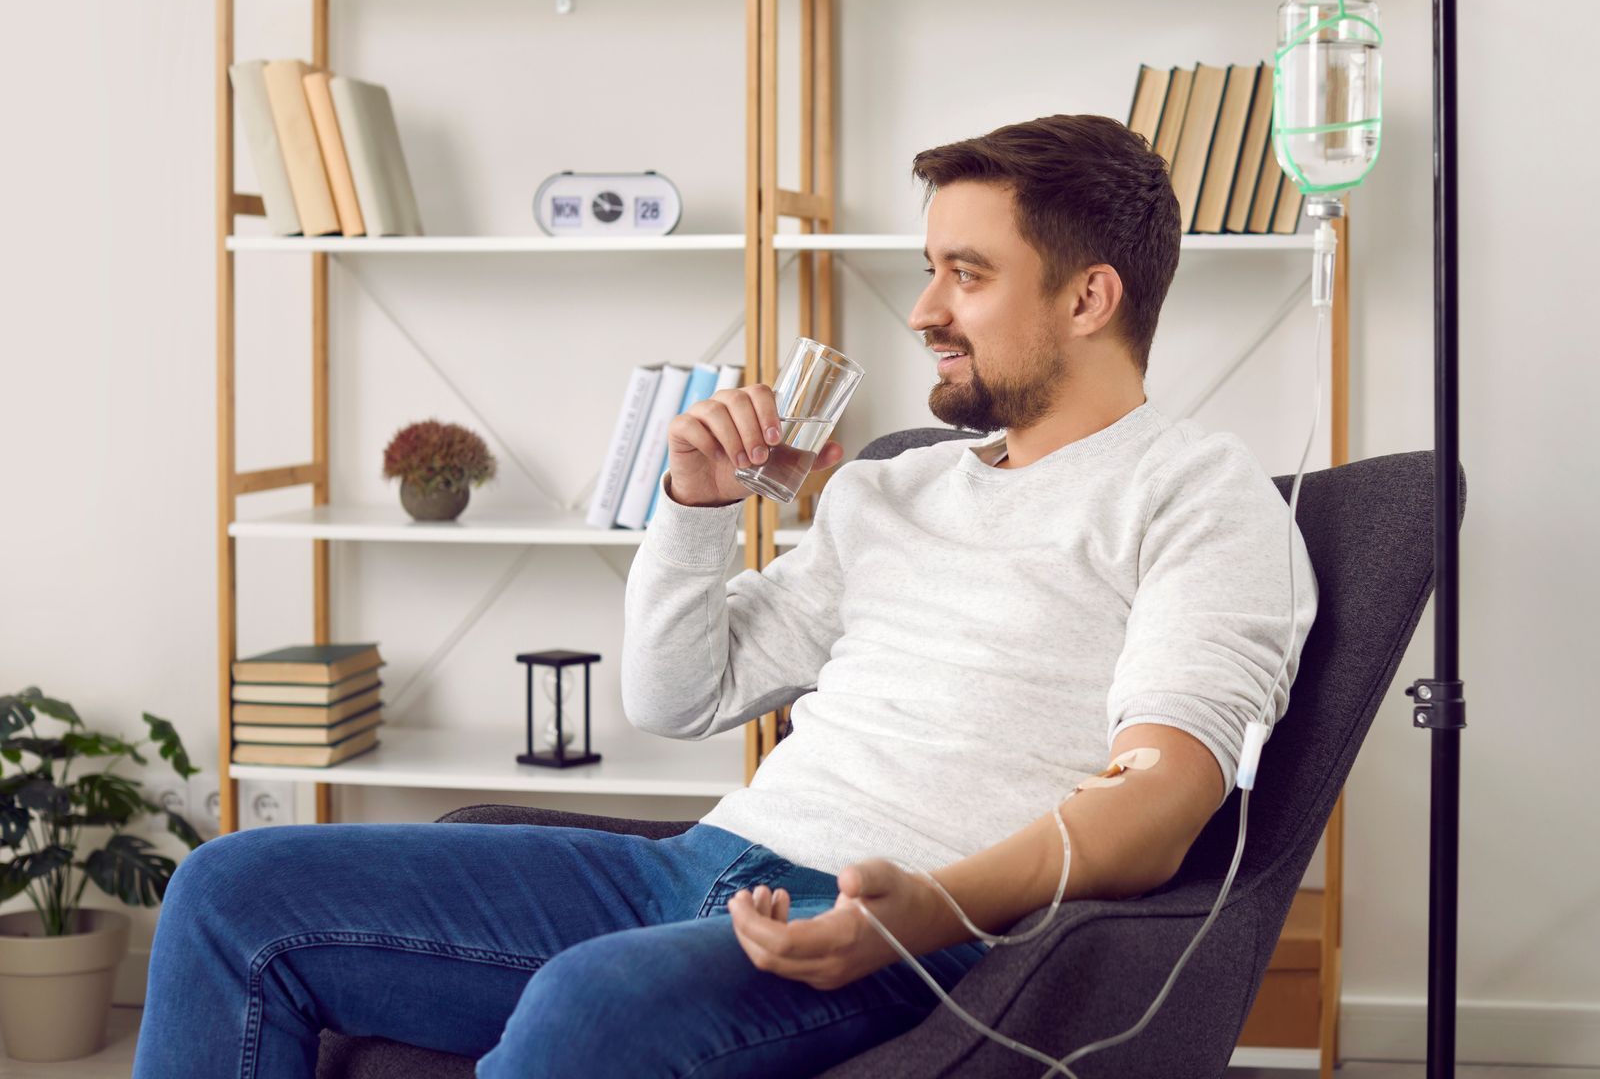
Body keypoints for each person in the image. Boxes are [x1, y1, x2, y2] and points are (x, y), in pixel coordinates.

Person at [133, 114, 1317, 1078]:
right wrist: (695, 507)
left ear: (1088, 297)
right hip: (700, 863)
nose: (923, 311)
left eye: (967, 273)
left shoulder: (1200, 499)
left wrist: (922, 911)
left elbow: (1156, 809)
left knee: (594, 1004)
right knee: (232, 888)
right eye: (928, 270)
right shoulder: (890, 491)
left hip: (907, 931)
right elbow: (677, 692)